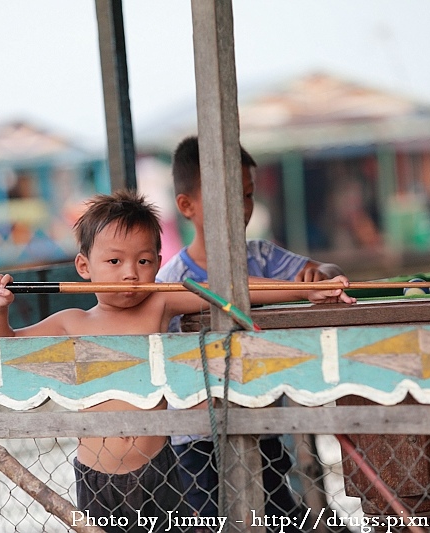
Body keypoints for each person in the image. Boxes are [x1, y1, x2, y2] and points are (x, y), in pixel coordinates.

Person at [0, 190, 355, 533]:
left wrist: (304, 288)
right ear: (83, 266)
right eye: (114, 260)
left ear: (158, 263)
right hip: (96, 479)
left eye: (143, 260)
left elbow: (229, 292)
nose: (130, 272)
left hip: (159, 469)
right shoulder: (70, 322)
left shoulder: (159, 302)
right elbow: (3, 346)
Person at [156, 136, 348, 531]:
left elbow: (324, 270)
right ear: (186, 206)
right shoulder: (174, 280)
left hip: (263, 424)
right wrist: (298, 288)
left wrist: (319, 276)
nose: (240, 208)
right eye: (225, 197)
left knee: (282, 518)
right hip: (198, 439)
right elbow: (229, 292)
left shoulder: (261, 254)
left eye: (246, 195)